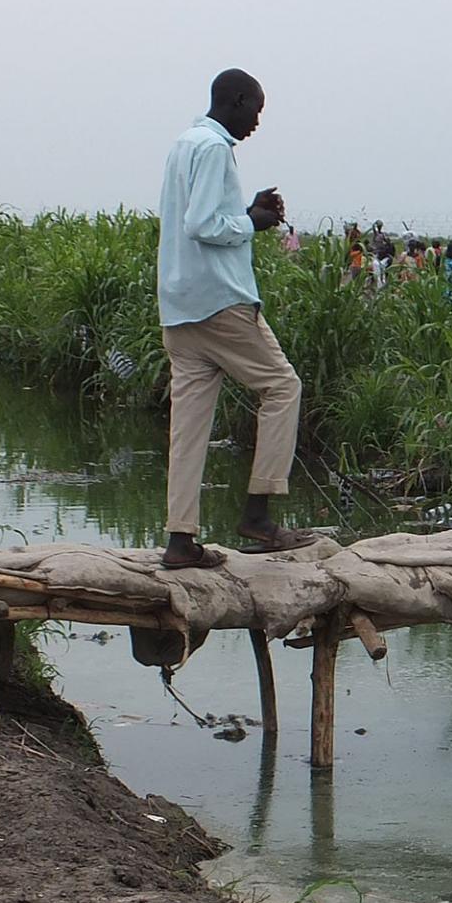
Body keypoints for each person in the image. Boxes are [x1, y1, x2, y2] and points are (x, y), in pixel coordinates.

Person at [155, 68, 315, 570]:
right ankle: (258, 513)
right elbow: (204, 225)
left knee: (188, 428)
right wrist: (254, 221)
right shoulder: (215, 148)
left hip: (179, 307)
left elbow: (199, 216)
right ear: (238, 100)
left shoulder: (185, 143)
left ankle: (180, 541)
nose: (257, 121)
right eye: (257, 110)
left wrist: (245, 211)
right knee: (282, 387)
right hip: (220, 303)